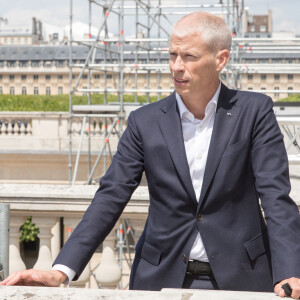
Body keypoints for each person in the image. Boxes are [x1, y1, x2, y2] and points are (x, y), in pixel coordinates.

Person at [1, 11, 300, 298]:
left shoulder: (255, 112)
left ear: (220, 59)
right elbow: (111, 195)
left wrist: (289, 270)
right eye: (172, 55)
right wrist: (61, 270)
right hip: (159, 279)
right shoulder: (144, 121)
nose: (176, 66)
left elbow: (275, 196)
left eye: (189, 57)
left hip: (243, 277)